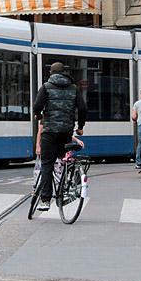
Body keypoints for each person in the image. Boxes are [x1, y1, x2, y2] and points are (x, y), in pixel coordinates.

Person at [32, 62, 87, 212]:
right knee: (64, 158)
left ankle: (45, 200)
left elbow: (37, 106)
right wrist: (80, 127)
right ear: (64, 73)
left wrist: (38, 115)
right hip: (66, 131)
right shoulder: (74, 88)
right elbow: (82, 108)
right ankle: (67, 184)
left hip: (50, 132)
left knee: (47, 165)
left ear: (51, 73)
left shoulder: (46, 87)